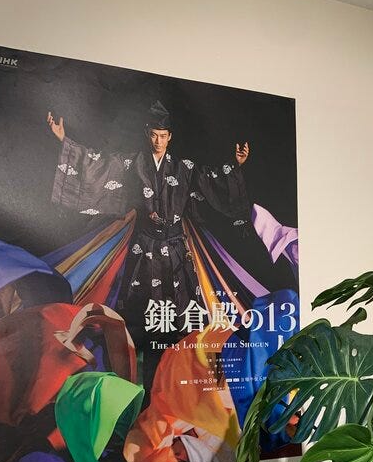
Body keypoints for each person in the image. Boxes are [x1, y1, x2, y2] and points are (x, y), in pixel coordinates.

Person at [47, 101, 251, 340]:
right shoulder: (134, 163)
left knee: (181, 302)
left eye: (163, 136)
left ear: (170, 137)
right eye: (154, 135)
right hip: (144, 243)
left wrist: (235, 165)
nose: (158, 141)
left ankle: (178, 351)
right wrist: (64, 141)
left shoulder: (183, 167)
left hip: (175, 244)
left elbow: (210, 180)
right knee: (140, 302)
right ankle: (141, 348)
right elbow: (101, 163)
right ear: (147, 134)